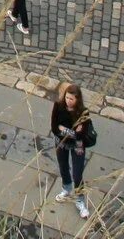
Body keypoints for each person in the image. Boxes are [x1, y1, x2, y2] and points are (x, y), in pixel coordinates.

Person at [49, 82, 95, 219]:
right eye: (67, 98)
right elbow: (54, 128)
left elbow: (81, 135)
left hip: (77, 145)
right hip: (61, 143)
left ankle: (80, 200)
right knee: (63, 168)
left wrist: (65, 130)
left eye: (71, 99)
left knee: (77, 174)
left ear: (77, 100)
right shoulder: (58, 106)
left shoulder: (83, 112)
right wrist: (72, 131)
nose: (68, 101)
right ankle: (67, 189)